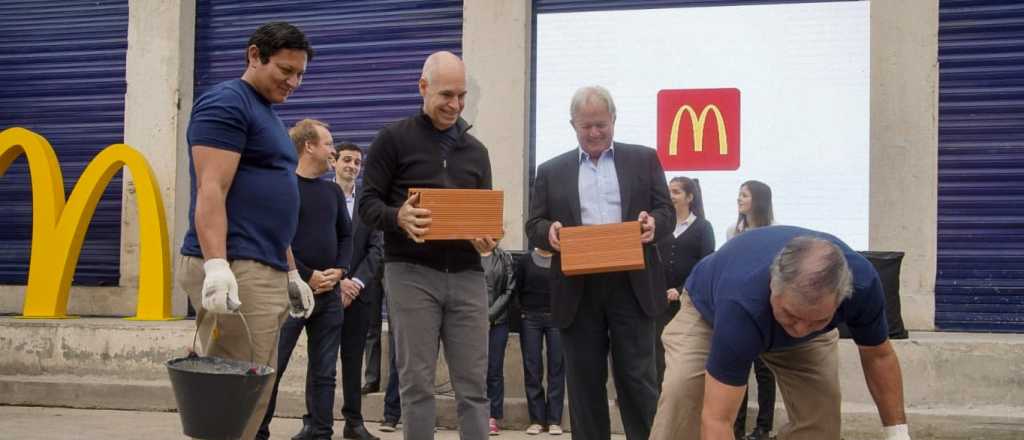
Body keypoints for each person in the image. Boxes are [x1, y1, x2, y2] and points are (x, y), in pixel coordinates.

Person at [176, 21, 315, 440]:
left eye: (300, 74)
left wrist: (290, 271)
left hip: (263, 263)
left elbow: (265, 205)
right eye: (285, 70)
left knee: (254, 387)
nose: (294, 82)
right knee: (233, 390)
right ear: (254, 56)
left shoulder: (267, 114)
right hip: (236, 263)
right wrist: (217, 265)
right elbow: (212, 189)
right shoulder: (226, 103)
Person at [650, 226, 911, 440]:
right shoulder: (742, 302)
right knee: (683, 393)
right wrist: (808, 320)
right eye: (791, 315)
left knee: (821, 421)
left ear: (841, 298)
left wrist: (898, 435)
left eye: (818, 319)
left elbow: (879, 357)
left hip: (802, 336)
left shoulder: (863, 285)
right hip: (708, 313)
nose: (799, 329)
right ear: (773, 285)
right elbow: (718, 420)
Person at [525, 85, 674, 440]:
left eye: (601, 125)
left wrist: (654, 224)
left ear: (614, 121)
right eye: (586, 126)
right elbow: (533, 224)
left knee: (638, 382)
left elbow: (665, 210)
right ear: (573, 124)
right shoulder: (551, 170)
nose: (594, 133)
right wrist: (551, 233)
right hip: (578, 289)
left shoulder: (644, 159)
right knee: (585, 386)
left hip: (632, 285)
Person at [357, 51, 493, 440]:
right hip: (409, 274)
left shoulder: (476, 152)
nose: (455, 104)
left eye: (462, 95)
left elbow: (481, 216)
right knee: (416, 384)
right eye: (446, 94)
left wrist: (485, 237)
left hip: (467, 275)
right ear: (423, 88)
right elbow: (367, 204)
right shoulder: (393, 139)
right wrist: (397, 216)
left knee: (474, 386)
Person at [258, 119, 352, 440]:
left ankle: (319, 432)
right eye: (328, 143)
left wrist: (339, 271)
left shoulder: (333, 192)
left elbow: (346, 236)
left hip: (328, 296)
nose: (333, 150)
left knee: (324, 373)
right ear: (309, 146)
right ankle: (258, 431)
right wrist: (308, 276)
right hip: (291, 293)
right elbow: (275, 238)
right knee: (273, 368)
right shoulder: (283, 186)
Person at [335, 141, 385, 440]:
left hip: (359, 294)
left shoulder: (367, 204)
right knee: (322, 362)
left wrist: (356, 283)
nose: (352, 166)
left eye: (357, 162)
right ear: (334, 162)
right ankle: (314, 422)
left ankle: (353, 423)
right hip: (326, 291)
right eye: (347, 160)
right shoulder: (320, 196)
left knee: (353, 363)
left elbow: (377, 248)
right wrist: (338, 280)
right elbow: (316, 242)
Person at [729, 180, 778, 440]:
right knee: (738, 371)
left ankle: (763, 427)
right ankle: (736, 428)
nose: (739, 199)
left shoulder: (774, 231)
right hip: (740, 310)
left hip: (767, 309)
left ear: (757, 200)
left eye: (744, 195)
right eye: (739, 194)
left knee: (764, 371)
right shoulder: (732, 231)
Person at [655, 176, 715, 386]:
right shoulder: (661, 227)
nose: (671, 196)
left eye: (676, 192)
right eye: (669, 191)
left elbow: (706, 265)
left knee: (681, 358)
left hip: (687, 303)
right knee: (657, 355)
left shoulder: (703, 227)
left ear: (689, 197)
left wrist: (681, 290)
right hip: (658, 302)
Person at [515, 246, 565, 436]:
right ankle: (536, 419)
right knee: (532, 366)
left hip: (557, 319)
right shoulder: (525, 261)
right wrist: (522, 312)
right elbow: (517, 288)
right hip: (530, 319)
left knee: (557, 367)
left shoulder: (561, 258)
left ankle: (554, 420)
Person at [474, 239, 515, 435]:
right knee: (473, 370)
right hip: (470, 321)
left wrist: (490, 315)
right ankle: (474, 415)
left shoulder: (504, 257)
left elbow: (509, 290)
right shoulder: (468, 256)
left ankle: (492, 416)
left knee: (494, 369)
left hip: (498, 322)